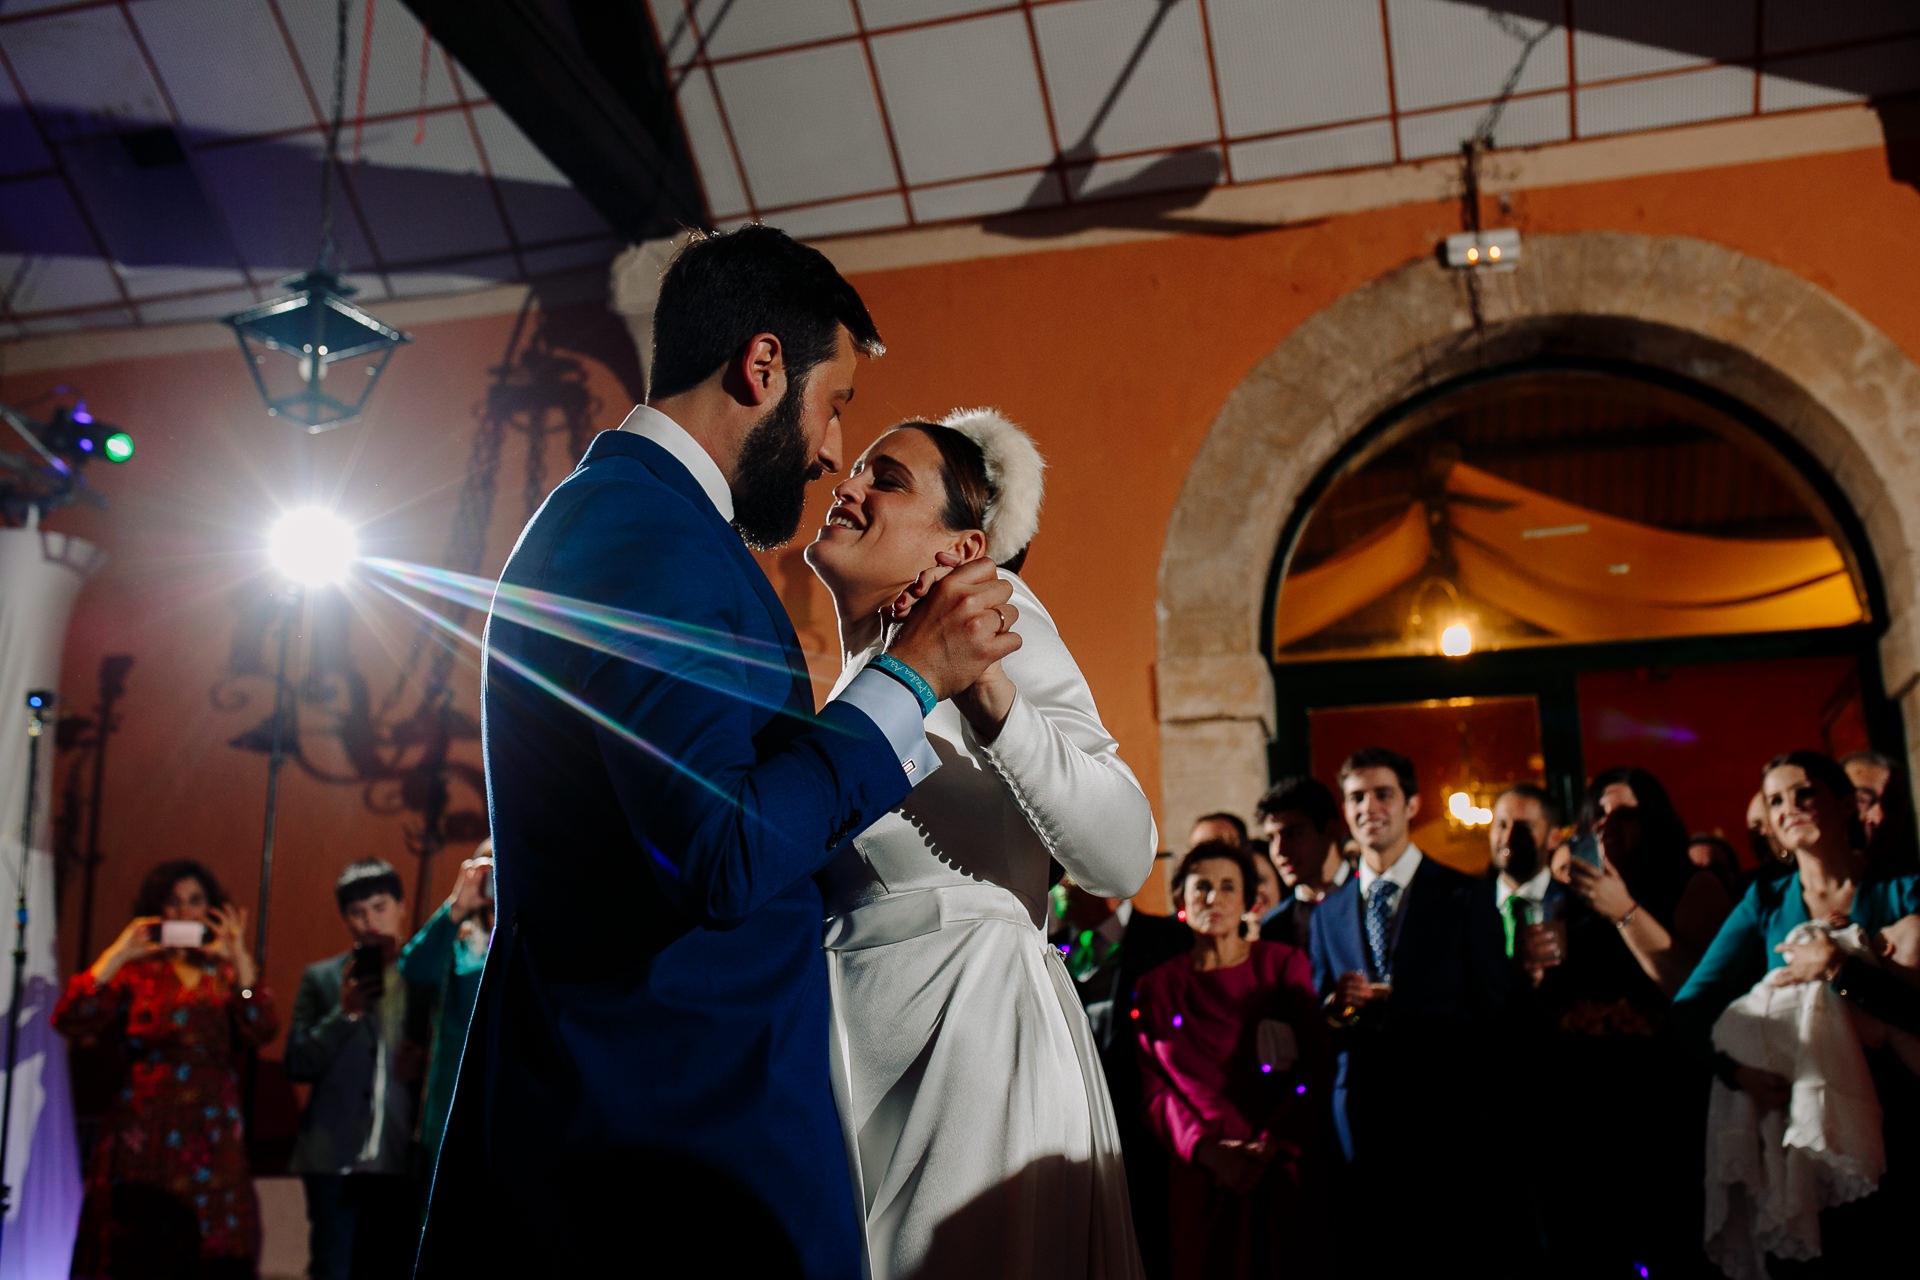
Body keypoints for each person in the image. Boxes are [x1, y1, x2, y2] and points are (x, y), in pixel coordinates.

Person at [416, 225, 1015, 1280]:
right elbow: (721, 847)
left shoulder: (648, 524)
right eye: (835, 406)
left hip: (661, 1134)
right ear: (762, 364)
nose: (832, 451)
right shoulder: (640, 531)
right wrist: (910, 676)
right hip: (666, 1157)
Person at [806, 409, 1155, 1279]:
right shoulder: (848, 685)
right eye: (856, 472)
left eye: (887, 480)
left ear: (964, 549)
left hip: (970, 1043)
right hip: (863, 1053)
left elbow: (1122, 849)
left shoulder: (989, 611)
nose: (846, 487)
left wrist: (989, 695)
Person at [1675, 750, 1920, 1271]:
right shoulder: (1764, 901)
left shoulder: (1904, 892)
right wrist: (1738, 1073)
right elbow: (1690, 1008)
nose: (1791, 807)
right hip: (1806, 1133)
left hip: (1904, 1121)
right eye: (1777, 800)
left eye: (1805, 792)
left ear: (1844, 804)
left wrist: (1840, 968)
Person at [1307, 747, 1511, 1274]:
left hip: (1446, 1112)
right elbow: (1320, 1013)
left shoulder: (1465, 895)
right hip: (1360, 1113)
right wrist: (1337, 1009)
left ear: (1412, 804)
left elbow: (1495, 1009)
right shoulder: (1328, 912)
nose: (1368, 806)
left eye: (1383, 794)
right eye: (1356, 797)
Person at [54, 861, 275, 1280]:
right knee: (135, 1241)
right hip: (145, 1121)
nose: (184, 912)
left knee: (210, 1242)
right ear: (157, 909)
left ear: (212, 909)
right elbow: (71, 1018)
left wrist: (241, 959)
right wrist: (117, 954)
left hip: (210, 1123)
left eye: (195, 901)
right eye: (173, 902)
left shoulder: (224, 973)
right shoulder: (137, 971)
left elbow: (261, 1026)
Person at [1134, 841, 1330, 1280]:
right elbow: (1154, 1091)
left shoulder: (1281, 966)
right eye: (1201, 887)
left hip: (1275, 1166)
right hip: (1200, 1174)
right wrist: (1208, 1152)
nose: (1212, 899)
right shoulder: (1157, 987)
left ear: (1247, 901)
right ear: (1180, 898)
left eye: (1227, 887)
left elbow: (1315, 1066)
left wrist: (1274, 1142)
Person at [288, 859, 430, 1280]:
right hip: (335, 1158)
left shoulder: (424, 973)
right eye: (357, 911)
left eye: (380, 906)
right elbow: (298, 1062)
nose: (370, 920)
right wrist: (344, 1014)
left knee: (396, 1267)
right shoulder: (324, 979)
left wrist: (422, 1062)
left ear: (402, 906)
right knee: (335, 1266)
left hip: (401, 1154)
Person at [397, 842, 494, 1170]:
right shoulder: (460, 943)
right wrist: (458, 906)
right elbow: (416, 970)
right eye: (489, 872)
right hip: (454, 1099)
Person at [1253, 776, 1348, 952]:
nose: (1279, 850)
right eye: (1271, 838)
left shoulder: (1367, 897)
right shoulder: (1273, 925)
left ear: (1330, 830)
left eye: (1293, 834)